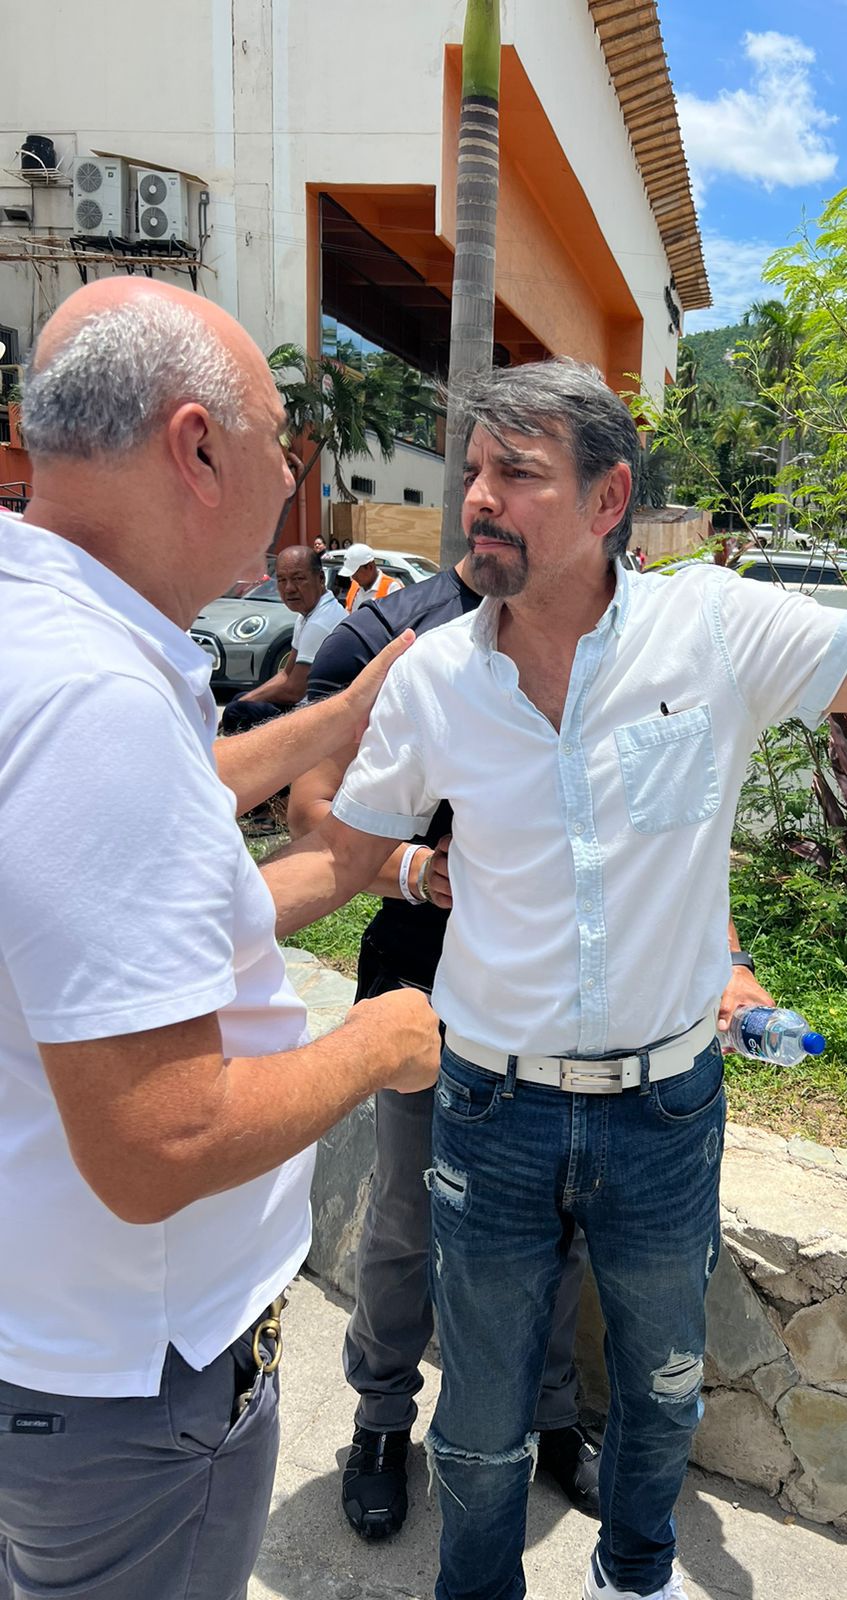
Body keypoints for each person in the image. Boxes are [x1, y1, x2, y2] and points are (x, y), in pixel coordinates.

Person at [263, 356, 847, 1600]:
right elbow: (344, 852)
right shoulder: (438, 677)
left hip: (663, 1109)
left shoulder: (711, 628)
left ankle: (631, 1577)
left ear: (607, 502)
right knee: (480, 1426)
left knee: (659, 1393)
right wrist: (169, 916)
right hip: (489, 1107)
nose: (477, 498)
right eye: (474, 471)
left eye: (518, 474)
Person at [0, 277, 439, 1600]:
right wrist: (373, 1042)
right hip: (129, 1381)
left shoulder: (48, 630)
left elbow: (150, 844)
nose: (293, 480)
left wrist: (342, 717)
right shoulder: (96, 705)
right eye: (276, 444)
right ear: (196, 447)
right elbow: (159, 1141)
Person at [291, 572, 776, 1541]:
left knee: (556, 1235)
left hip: (560, 1023)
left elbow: (664, 829)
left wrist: (728, 959)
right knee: (402, 1221)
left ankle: (551, 1418)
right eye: (493, 466)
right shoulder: (390, 636)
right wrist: (426, 873)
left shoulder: (628, 641)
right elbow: (316, 816)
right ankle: (381, 1422)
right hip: (421, 990)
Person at [222, 543, 346, 734]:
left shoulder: (319, 622)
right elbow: (286, 674)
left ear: (320, 579)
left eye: (298, 579)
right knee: (241, 699)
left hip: (318, 717)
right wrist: (246, 698)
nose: (289, 588)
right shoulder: (308, 615)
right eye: (281, 580)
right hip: (310, 707)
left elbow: (294, 690)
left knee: (237, 711)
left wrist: (244, 702)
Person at [340, 542, 400, 610]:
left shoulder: (392, 588)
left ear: (370, 567)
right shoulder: (355, 586)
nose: (353, 577)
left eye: (355, 572)